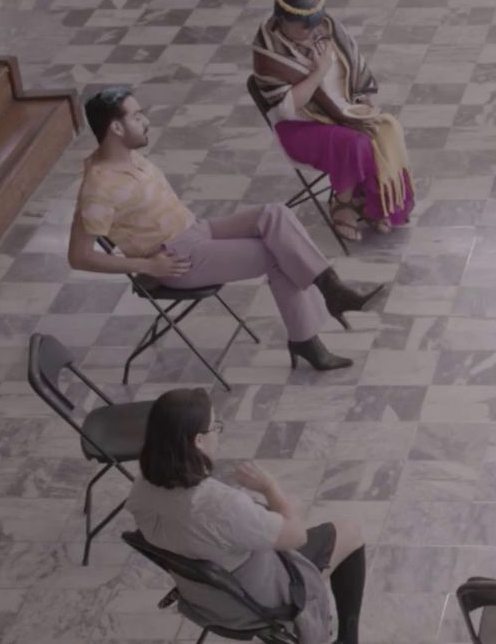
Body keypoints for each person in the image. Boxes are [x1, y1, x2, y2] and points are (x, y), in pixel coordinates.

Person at [69, 86, 383, 371]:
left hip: (196, 229)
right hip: (177, 259)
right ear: (116, 127)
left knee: (275, 214)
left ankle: (332, 290)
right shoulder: (99, 186)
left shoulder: (130, 156)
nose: (146, 121)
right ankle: (307, 337)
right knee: (277, 253)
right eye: (137, 116)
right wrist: (145, 265)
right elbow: (79, 256)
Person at [127, 388, 367, 644]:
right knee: (350, 532)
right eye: (215, 427)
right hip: (261, 597)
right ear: (198, 440)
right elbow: (295, 536)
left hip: (208, 597)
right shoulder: (217, 505)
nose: (217, 433)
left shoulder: (142, 486)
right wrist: (272, 490)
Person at [252, 0, 415, 240]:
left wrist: (361, 102)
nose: (311, 30)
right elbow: (286, 109)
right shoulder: (268, 50)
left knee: (386, 129)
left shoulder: (327, 28)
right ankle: (343, 203)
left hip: (343, 111)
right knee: (356, 143)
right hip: (300, 126)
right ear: (281, 18)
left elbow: (355, 68)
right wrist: (319, 72)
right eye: (302, 26)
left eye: (314, 23)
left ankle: (373, 201)